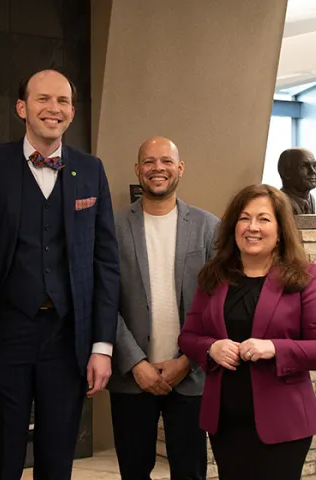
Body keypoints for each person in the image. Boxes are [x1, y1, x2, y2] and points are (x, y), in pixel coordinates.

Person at [0, 68, 120, 480]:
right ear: (21, 108)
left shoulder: (91, 169)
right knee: (1, 448)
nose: (54, 108)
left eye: (63, 101)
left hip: (68, 335)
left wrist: (102, 345)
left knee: (58, 449)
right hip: (4, 328)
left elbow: (105, 262)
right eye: (43, 99)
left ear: (72, 111)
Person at [178, 184, 316, 480]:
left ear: (280, 230)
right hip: (227, 423)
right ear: (233, 226)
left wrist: (275, 348)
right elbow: (188, 336)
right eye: (244, 218)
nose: (252, 227)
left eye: (264, 219)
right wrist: (210, 348)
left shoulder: (305, 278)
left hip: (284, 424)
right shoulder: (213, 277)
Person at [107, 136, 219, 480]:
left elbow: (218, 302)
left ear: (180, 168)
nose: (158, 168)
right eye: (150, 161)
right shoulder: (110, 227)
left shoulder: (208, 227)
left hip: (189, 373)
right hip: (131, 376)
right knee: (133, 470)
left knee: (190, 471)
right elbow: (101, 299)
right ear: (138, 169)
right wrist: (135, 362)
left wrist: (187, 361)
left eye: (167, 161)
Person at [278, 147, 316, 214]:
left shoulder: (311, 200)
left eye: (314, 166)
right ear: (286, 172)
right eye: (304, 166)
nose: (313, 171)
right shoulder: (278, 203)